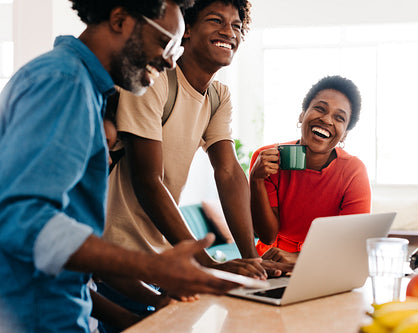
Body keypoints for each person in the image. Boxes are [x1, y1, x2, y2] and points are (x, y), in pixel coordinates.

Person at [0, 0, 245, 332]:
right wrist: (153, 268)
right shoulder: (64, 82)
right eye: (165, 42)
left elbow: (73, 238)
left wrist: (145, 309)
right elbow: (22, 219)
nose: (171, 59)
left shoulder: (86, 88)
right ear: (119, 19)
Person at [99, 0, 292, 321]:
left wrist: (251, 262)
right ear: (185, 30)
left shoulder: (218, 96)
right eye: (216, 20)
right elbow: (147, 180)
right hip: (120, 264)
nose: (229, 32)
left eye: (236, 26)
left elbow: (228, 172)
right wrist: (209, 263)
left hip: (164, 265)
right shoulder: (155, 79)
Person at [249, 76, 372, 263]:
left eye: (339, 118)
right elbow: (267, 236)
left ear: (345, 133)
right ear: (302, 115)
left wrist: (297, 258)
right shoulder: (266, 158)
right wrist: (256, 180)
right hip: (271, 261)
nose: (326, 119)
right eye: (320, 109)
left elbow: (351, 244)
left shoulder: (353, 171)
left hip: (324, 263)